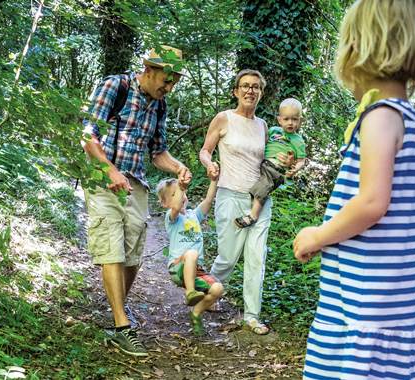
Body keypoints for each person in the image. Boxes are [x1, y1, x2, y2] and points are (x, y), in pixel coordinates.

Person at [292, 1, 415, 378]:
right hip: (375, 298)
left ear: (360, 48)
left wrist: (317, 236)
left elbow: (372, 202)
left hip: (365, 301)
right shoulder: (402, 114)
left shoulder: (381, 116)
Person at [81, 45, 192, 356]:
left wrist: (178, 167)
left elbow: (158, 152)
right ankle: (121, 326)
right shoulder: (115, 86)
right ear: (148, 70)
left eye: (173, 83)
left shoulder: (159, 105)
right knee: (111, 249)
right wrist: (110, 170)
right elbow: (88, 135)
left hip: (136, 184)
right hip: (103, 179)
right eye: (166, 81)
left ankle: (118, 312)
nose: (168, 88)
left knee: (132, 255)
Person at [199, 69, 292, 335]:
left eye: (255, 87)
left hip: (259, 201)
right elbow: (205, 150)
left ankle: (252, 316)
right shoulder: (224, 118)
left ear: (261, 92)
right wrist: (209, 163)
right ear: (236, 91)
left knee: (256, 259)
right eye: (245, 86)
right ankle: (202, 293)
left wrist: (286, 161)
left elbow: (272, 159)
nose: (250, 90)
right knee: (228, 257)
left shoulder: (264, 126)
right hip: (229, 195)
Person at [156, 176, 224, 336]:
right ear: (165, 203)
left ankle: (196, 313)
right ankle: (190, 292)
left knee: (218, 289)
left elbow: (208, 200)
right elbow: (176, 206)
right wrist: (181, 186)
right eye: (173, 194)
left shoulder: (194, 215)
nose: (179, 196)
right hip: (178, 267)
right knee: (192, 253)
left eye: (180, 192)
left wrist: (214, 180)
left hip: (197, 270)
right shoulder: (171, 218)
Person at [234, 97, 307, 228]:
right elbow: (261, 143)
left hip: (276, 169)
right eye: (286, 119)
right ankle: (247, 207)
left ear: (300, 120)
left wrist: (295, 168)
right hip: (263, 164)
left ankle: (253, 216)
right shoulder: (273, 130)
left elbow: (301, 160)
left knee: (263, 187)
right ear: (279, 120)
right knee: (253, 184)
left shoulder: (298, 140)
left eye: (294, 119)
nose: (290, 123)